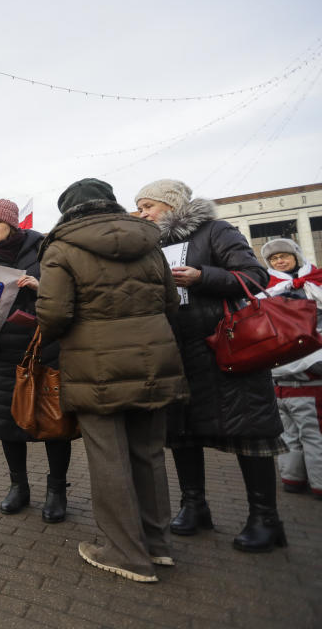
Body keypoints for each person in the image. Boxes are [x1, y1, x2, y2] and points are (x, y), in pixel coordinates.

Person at [37, 178, 188, 582]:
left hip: (95, 366)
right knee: (149, 454)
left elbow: (53, 315)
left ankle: (125, 553)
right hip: (153, 359)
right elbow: (171, 302)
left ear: (67, 211)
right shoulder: (150, 242)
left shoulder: (62, 247)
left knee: (109, 458)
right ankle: (158, 547)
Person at [137, 179, 287, 552]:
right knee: (182, 432)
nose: (142, 214)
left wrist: (202, 277)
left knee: (248, 431)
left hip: (227, 348)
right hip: (177, 350)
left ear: (171, 205)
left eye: (148, 207)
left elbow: (255, 276)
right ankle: (194, 506)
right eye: (139, 208)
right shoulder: (150, 245)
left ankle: (265, 519)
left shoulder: (216, 231)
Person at [0, 199, 73, 522]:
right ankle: (19, 486)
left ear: (13, 224)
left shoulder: (44, 249)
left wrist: (42, 288)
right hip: (2, 352)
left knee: (54, 422)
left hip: (46, 348)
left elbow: (69, 290)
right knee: (7, 423)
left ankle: (57, 491)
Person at [259, 239, 322, 500]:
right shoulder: (267, 288)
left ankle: (293, 478)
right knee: (311, 434)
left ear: (296, 256)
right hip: (305, 372)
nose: (280, 261)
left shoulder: (313, 281)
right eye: (274, 259)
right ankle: (314, 483)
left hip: (286, 372)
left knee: (293, 433)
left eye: (284, 256)